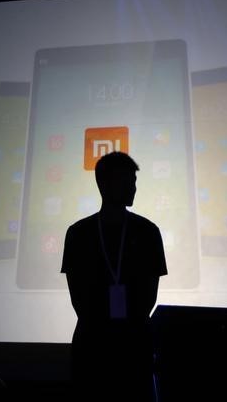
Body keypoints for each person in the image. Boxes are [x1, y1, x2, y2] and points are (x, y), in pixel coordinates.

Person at [61, 151, 167, 402]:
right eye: (128, 181)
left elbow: (148, 299)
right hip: (93, 350)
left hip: (134, 349)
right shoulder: (78, 234)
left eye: (135, 181)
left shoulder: (148, 232)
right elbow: (80, 302)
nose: (134, 188)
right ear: (104, 183)